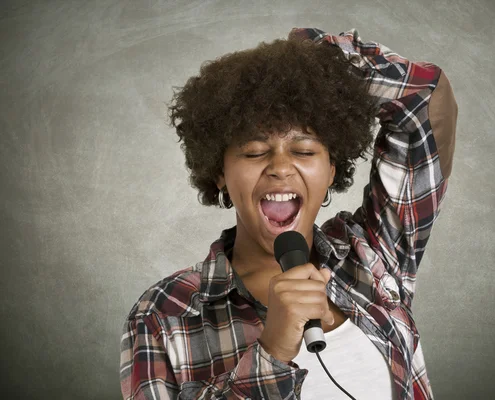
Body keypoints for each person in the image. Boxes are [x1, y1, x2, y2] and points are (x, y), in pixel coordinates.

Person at [119, 27, 458, 400]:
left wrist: (320, 60)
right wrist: (273, 352)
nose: (280, 167)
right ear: (219, 172)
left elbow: (423, 97)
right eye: (253, 152)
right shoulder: (164, 312)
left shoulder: (373, 254)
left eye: (304, 151)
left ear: (332, 169)